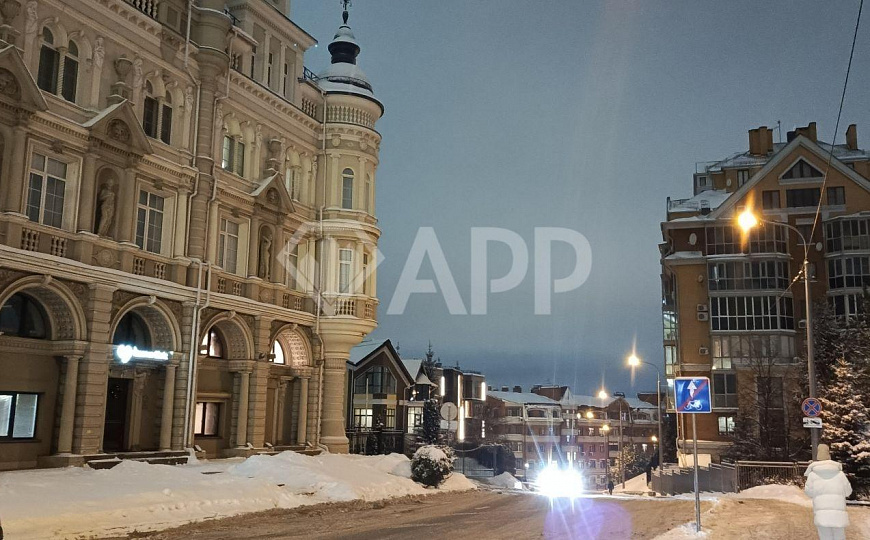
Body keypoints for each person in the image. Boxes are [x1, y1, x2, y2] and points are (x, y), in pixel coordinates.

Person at [804, 444, 851, 540]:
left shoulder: (813, 475)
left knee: (825, 537)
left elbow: (809, 492)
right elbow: (848, 492)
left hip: (821, 513)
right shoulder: (840, 474)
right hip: (838, 514)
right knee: (839, 537)